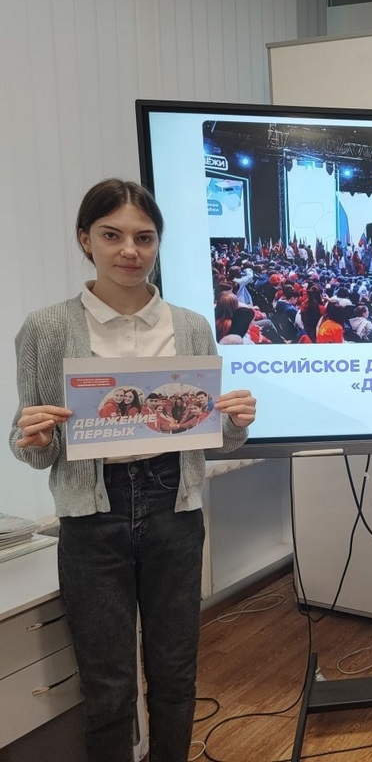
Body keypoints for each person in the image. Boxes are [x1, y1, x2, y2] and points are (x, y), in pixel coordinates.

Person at [9, 178, 257, 762]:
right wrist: (31, 435)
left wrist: (237, 422)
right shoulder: (46, 328)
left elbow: (209, 435)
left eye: (144, 238)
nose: (129, 250)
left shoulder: (190, 325)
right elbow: (37, 448)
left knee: (175, 672)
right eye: (111, 235)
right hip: (92, 513)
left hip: (174, 503)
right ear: (85, 240)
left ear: (158, 243)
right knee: (107, 686)